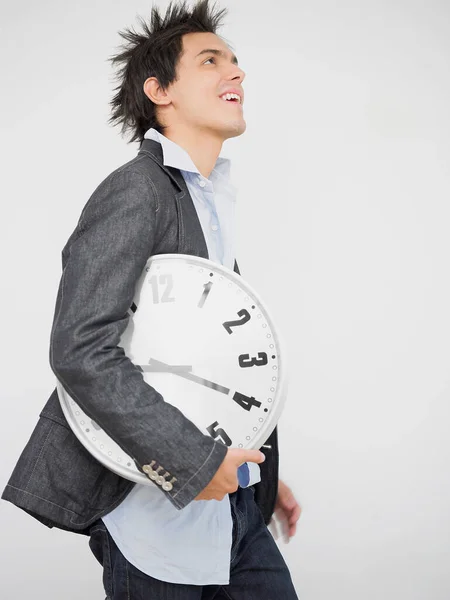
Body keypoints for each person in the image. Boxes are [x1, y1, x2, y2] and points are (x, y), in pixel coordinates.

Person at [2, 1, 301, 597]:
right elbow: (82, 349)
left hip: (234, 511)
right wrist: (195, 462)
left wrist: (259, 473)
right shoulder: (136, 191)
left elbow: (219, 350)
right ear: (159, 90)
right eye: (212, 61)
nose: (237, 73)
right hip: (153, 528)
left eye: (238, 62)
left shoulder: (209, 201)